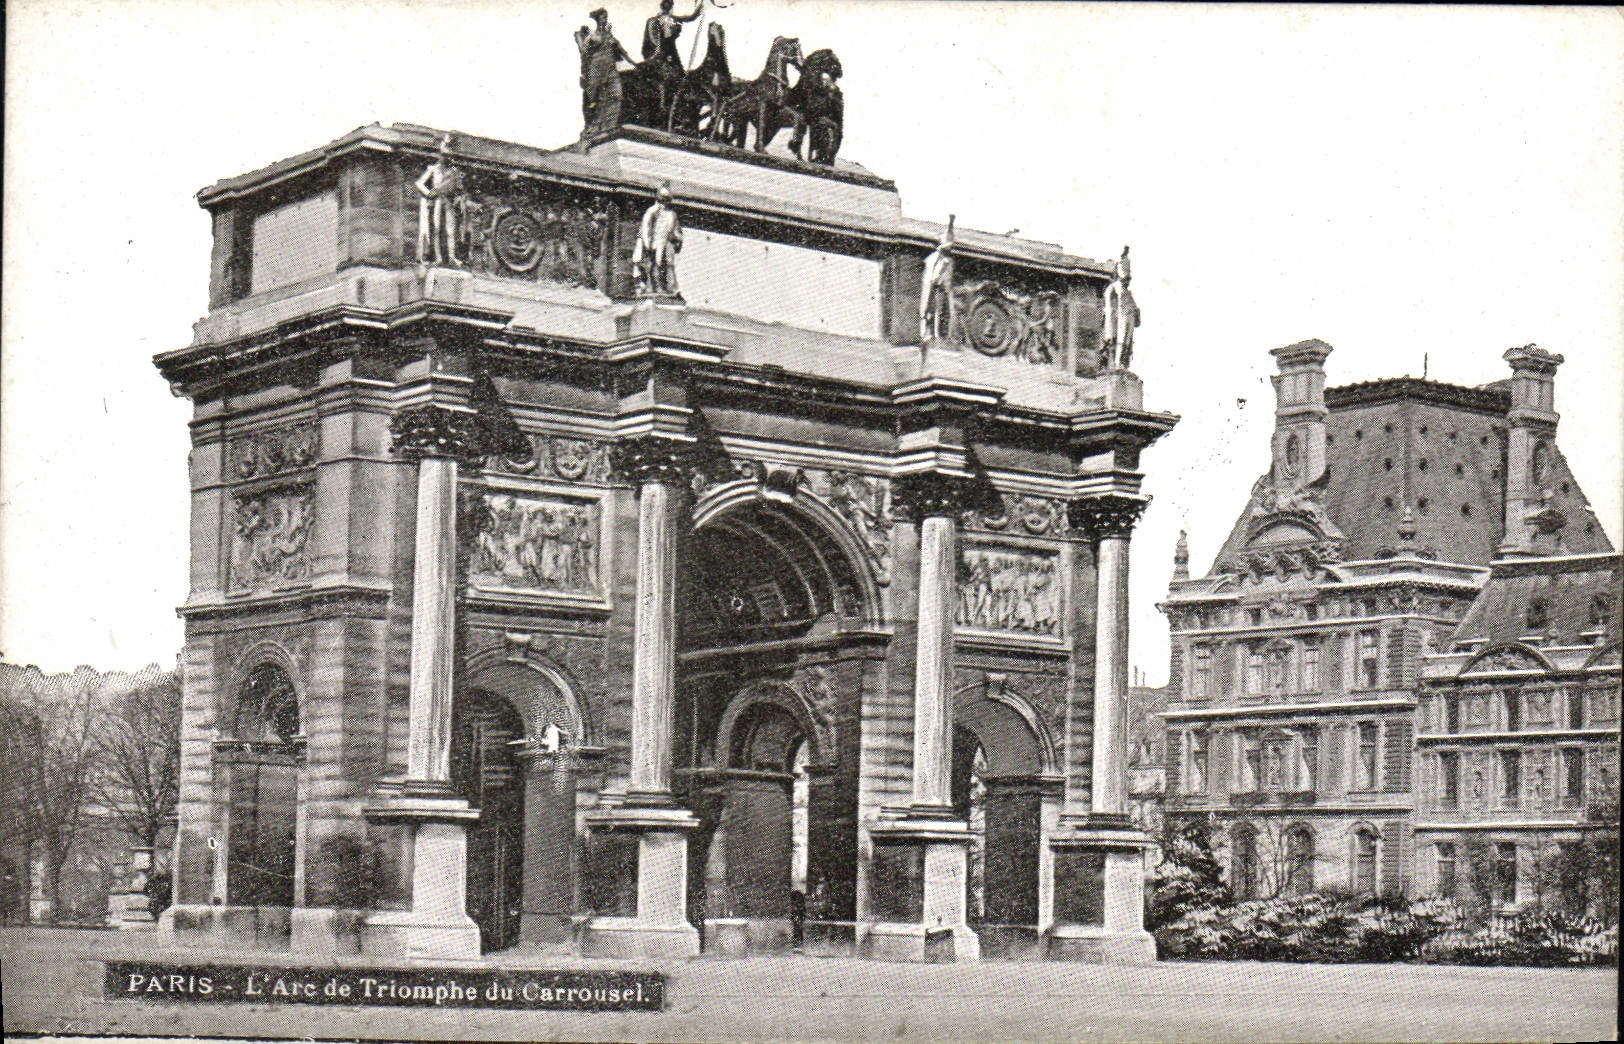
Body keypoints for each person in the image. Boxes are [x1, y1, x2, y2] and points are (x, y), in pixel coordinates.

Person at [576, 8, 634, 138]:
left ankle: (610, 125)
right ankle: (593, 127)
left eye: (605, 17)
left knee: (616, 94)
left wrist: (633, 63)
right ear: (597, 19)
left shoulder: (610, 35)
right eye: (602, 17)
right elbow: (584, 54)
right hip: (596, 69)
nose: (604, 19)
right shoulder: (592, 36)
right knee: (595, 100)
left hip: (611, 68)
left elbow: (622, 51)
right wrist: (585, 73)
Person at [414, 135, 464, 267]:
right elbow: (419, 183)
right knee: (435, 229)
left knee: (450, 231)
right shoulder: (433, 169)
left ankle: (452, 257)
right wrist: (428, 193)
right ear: (440, 155)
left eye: (449, 155)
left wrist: (458, 199)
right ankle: (438, 257)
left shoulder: (454, 172)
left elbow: (459, 189)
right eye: (444, 155)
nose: (447, 158)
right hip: (436, 202)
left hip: (448, 202)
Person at [633, 182, 683, 296]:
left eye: (666, 199)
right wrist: (647, 243)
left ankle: (666, 287)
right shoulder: (653, 211)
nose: (664, 202)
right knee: (654, 264)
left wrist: (676, 238)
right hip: (654, 243)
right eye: (662, 199)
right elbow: (646, 227)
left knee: (666, 266)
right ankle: (653, 286)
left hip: (666, 243)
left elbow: (675, 230)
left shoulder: (671, 214)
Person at [1101, 244, 1141, 371]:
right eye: (1126, 277)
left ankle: (1122, 363)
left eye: (1128, 278)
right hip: (1118, 317)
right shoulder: (1113, 288)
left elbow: (1135, 309)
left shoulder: (1128, 293)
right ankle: (1117, 363)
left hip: (1127, 316)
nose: (1127, 280)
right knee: (1119, 340)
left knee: (1127, 342)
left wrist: (1136, 313)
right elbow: (1109, 304)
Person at [920, 215, 955, 343]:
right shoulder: (941, 260)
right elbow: (935, 275)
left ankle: (935, 334)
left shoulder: (943, 259)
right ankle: (932, 333)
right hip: (935, 287)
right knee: (934, 311)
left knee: (938, 312)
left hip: (938, 287)